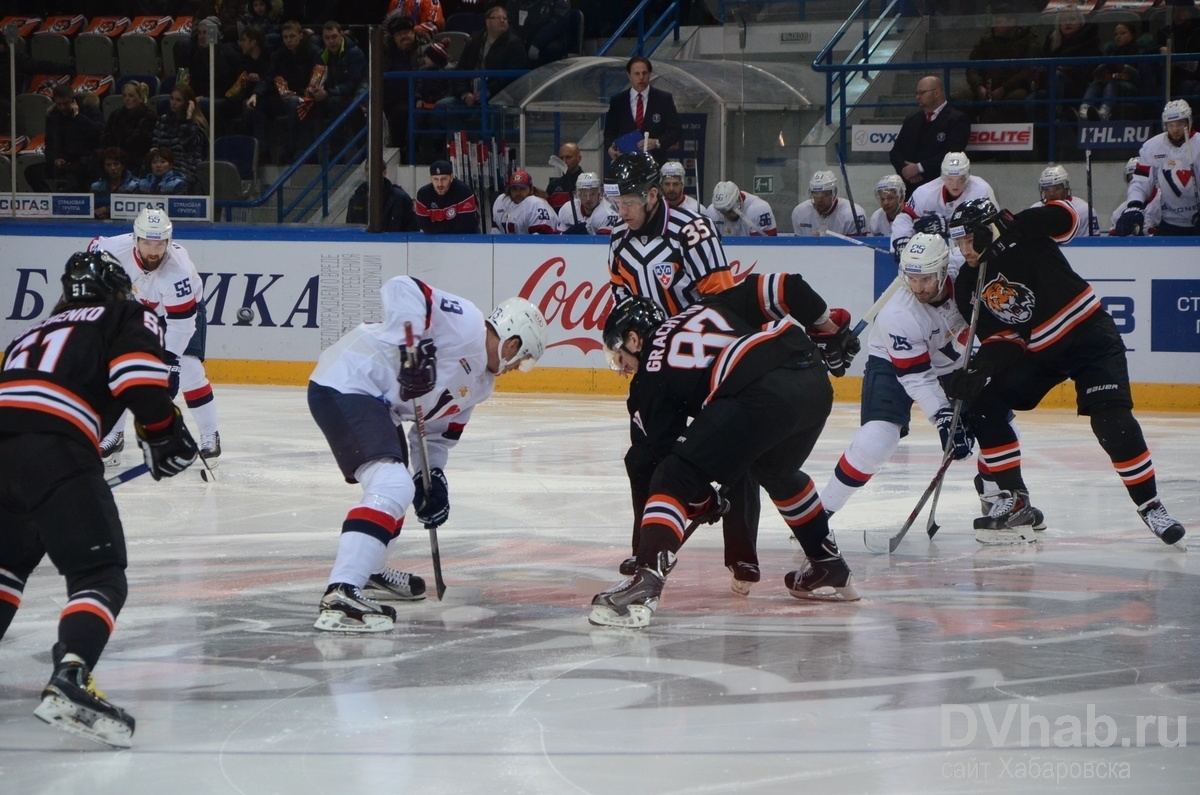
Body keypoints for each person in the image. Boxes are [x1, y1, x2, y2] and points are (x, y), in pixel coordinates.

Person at [0, 251, 198, 748]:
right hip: (55, 446)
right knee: (99, 574)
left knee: (6, 566)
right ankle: (71, 675)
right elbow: (138, 380)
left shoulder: (28, 333)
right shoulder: (128, 313)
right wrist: (165, 431)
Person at [589, 287, 862, 627]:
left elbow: (663, 458)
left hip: (759, 389)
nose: (620, 368)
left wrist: (703, 497)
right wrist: (829, 330)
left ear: (633, 338)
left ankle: (645, 582)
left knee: (672, 476)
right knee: (776, 469)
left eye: (618, 355)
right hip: (813, 381)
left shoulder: (648, 381)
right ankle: (827, 564)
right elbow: (789, 284)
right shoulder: (710, 303)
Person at [306, 278, 548, 631]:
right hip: (348, 379)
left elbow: (434, 439)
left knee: (403, 484)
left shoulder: (481, 385)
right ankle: (341, 592)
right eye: (523, 360)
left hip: (378, 402)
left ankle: (370, 570)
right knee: (391, 485)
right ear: (512, 343)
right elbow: (402, 288)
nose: (517, 369)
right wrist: (412, 348)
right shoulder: (467, 322)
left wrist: (430, 479)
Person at [945, 198, 1187, 546]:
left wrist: (1014, 221)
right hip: (1043, 354)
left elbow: (1070, 218)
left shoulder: (1026, 234)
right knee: (986, 402)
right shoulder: (971, 281)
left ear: (988, 229)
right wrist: (981, 368)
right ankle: (1015, 499)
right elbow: (1005, 339)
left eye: (969, 239)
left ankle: (1150, 505)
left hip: (1091, 338)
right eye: (958, 242)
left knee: (1111, 421)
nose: (964, 249)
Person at [605, 152, 766, 593]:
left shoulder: (692, 231)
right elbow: (623, 302)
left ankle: (742, 555)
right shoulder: (619, 240)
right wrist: (625, 345)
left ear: (654, 194)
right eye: (617, 203)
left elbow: (724, 300)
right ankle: (646, 547)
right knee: (642, 454)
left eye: (630, 203)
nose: (623, 212)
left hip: (706, 359)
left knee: (736, 451)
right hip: (656, 368)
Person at [820, 233, 976, 517]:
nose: (918, 287)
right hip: (892, 361)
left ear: (943, 269)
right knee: (876, 439)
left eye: (926, 278)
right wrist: (943, 416)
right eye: (912, 278)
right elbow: (917, 376)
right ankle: (822, 511)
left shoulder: (965, 270)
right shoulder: (898, 314)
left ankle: (1001, 496)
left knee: (993, 418)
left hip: (951, 357)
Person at [89, 209, 222, 467]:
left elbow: (180, 325)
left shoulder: (179, 272)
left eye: (160, 243)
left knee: (189, 368)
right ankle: (114, 435)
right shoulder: (114, 249)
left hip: (181, 314)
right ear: (135, 239)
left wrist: (170, 365)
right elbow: (94, 246)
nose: (153, 250)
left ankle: (209, 436)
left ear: (168, 242)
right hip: (138, 309)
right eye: (147, 242)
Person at [434, 3, 529, 151]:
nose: (503, 21)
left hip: (499, 95)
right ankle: (470, 141)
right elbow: (461, 71)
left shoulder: (514, 44)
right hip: (472, 94)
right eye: (498, 18)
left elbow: (512, 77)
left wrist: (488, 91)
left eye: (505, 18)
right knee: (442, 106)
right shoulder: (474, 41)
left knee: (496, 111)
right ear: (487, 21)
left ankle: (491, 151)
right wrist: (465, 94)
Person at [890, 152, 997, 260]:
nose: (955, 185)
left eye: (961, 179)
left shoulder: (982, 190)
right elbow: (904, 218)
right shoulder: (924, 193)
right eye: (950, 179)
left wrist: (948, 228)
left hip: (969, 252)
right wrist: (902, 240)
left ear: (968, 176)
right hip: (928, 253)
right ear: (943, 176)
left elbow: (994, 228)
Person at [1116, 100, 1200, 237]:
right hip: (1169, 221)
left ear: (1189, 122)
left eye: (1180, 124)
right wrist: (1134, 205)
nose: (1175, 129)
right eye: (1171, 125)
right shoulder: (1152, 147)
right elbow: (1141, 180)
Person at [247, 19, 316, 165]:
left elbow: (318, 78)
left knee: (293, 102)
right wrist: (255, 94)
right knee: (258, 105)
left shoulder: (313, 52)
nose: (289, 40)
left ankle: (290, 150)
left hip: (308, 97)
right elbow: (269, 77)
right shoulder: (279, 55)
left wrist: (302, 93)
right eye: (285, 37)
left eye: (292, 36)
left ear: (300, 36)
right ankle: (263, 153)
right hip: (285, 96)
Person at [955, 7, 1040, 123]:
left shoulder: (1029, 39)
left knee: (1014, 101)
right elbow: (972, 67)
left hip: (1015, 88)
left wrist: (1005, 88)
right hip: (986, 87)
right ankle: (971, 134)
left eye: (998, 22)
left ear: (1012, 23)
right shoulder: (986, 40)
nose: (994, 25)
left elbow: (1027, 70)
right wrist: (979, 86)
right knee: (958, 100)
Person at [889, 75, 971, 191]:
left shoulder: (957, 119)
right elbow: (895, 151)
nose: (918, 97)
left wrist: (919, 168)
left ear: (936, 93)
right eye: (917, 93)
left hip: (938, 187)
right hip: (909, 189)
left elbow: (952, 153)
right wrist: (906, 169)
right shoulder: (912, 119)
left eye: (922, 93)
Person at [24, 84, 104, 193]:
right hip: (63, 162)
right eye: (59, 104)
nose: (62, 107)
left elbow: (98, 132)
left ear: (72, 99)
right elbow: (50, 143)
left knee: (74, 180)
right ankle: (49, 199)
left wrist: (78, 117)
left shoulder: (89, 110)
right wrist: (54, 159)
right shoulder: (53, 116)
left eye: (65, 103)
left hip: (85, 161)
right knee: (32, 172)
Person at [603, 56, 682, 164]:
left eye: (644, 73)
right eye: (637, 74)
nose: (641, 77)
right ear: (629, 76)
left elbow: (676, 131)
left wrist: (657, 142)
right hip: (627, 163)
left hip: (656, 162)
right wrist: (610, 149)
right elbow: (609, 132)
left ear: (650, 74)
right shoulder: (618, 101)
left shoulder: (664, 99)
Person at [1079, 21, 1154, 122]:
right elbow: (1097, 73)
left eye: (1123, 33)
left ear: (1132, 35)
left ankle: (1104, 112)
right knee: (1095, 85)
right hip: (1109, 80)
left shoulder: (1139, 53)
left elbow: (1142, 77)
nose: (1118, 36)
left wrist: (1125, 68)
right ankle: (1084, 110)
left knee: (1111, 85)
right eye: (1116, 34)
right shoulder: (1112, 53)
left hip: (1129, 86)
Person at [306, 22, 367, 145]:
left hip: (354, 98)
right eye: (327, 38)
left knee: (334, 103)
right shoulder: (321, 55)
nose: (331, 41)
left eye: (334, 36)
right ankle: (309, 153)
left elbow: (353, 84)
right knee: (308, 104)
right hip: (330, 95)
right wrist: (312, 90)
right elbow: (316, 80)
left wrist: (328, 93)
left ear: (341, 35)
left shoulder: (355, 53)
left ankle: (337, 152)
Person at [1033, 4, 1100, 107]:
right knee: (1031, 100)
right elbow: (1044, 63)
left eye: (1072, 19)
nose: (1068, 23)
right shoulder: (1052, 41)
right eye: (1064, 20)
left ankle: (1056, 116)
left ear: (1080, 22)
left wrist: (1066, 70)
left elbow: (1089, 69)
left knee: (1058, 75)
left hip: (1079, 86)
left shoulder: (1089, 41)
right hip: (1052, 85)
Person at [151, 85, 210, 194]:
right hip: (162, 169)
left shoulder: (196, 123)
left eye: (178, 100)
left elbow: (189, 147)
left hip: (186, 170)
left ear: (188, 103)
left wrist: (188, 119)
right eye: (172, 98)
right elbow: (156, 146)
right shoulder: (163, 120)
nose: (173, 103)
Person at [381, 13, 423, 161]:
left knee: (402, 112)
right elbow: (371, 76)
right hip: (390, 100)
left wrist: (419, 97)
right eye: (399, 34)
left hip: (417, 98)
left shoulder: (424, 50)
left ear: (413, 32)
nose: (404, 36)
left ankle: (403, 152)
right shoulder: (385, 54)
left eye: (406, 32)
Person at [98, 81, 157, 177]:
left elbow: (142, 141)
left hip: (135, 155)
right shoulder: (117, 114)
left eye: (131, 96)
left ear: (140, 98)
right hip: (115, 153)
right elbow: (106, 136)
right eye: (124, 96)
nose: (127, 99)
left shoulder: (148, 117)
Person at [1029, 165, 1098, 238]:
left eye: (1057, 189)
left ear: (1066, 188)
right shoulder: (1035, 210)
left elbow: (1094, 241)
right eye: (1047, 189)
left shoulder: (1084, 210)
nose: (1051, 194)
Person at [791, 170, 867, 237]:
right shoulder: (800, 212)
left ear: (834, 193)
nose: (819, 199)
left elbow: (857, 250)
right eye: (815, 194)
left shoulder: (853, 214)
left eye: (825, 194)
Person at [415, 159, 481, 233]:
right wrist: (450, 224)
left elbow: (465, 225)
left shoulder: (464, 191)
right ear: (430, 178)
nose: (440, 184)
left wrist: (436, 227)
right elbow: (423, 225)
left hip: (465, 240)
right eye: (435, 179)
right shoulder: (423, 194)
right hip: (434, 240)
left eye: (444, 179)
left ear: (451, 177)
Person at [345, 169, 420, 231]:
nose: (370, 173)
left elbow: (413, 228)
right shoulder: (356, 199)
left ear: (384, 172)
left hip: (394, 245)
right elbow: (350, 226)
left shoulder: (401, 198)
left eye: (373, 169)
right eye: (367, 170)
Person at [491, 169, 557, 233]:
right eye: (514, 189)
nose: (518, 193)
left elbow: (541, 239)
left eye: (522, 189)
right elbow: (495, 232)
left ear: (531, 189)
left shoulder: (536, 204)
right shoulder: (502, 201)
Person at [705, 180, 778, 236]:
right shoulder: (712, 212)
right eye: (723, 212)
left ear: (739, 199)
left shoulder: (759, 209)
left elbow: (768, 247)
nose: (728, 215)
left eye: (730, 210)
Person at [1110, 157, 1161, 235]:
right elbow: (1113, 241)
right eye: (1131, 179)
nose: (1135, 183)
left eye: (1139, 178)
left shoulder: (1164, 202)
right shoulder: (1120, 211)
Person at [91, 149, 139, 220]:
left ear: (123, 165)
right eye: (108, 165)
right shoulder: (96, 187)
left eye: (116, 164)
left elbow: (136, 210)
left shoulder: (135, 185)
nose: (112, 168)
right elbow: (91, 210)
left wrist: (108, 210)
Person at [545, 141, 582, 210]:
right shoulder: (553, 186)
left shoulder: (589, 183)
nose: (564, 161)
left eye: (568, 157)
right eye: (561, 158)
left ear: (579, 158)